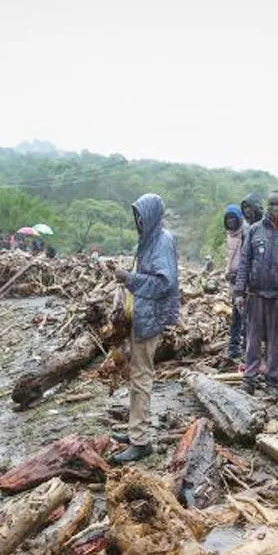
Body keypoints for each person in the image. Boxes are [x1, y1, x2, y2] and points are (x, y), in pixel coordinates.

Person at [110, 193, 181, 464]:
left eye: (141, 216)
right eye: (135, 216)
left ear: (150, 215)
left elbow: (165, 284)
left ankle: (140, 441)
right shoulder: (149, 238)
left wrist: (130, 279)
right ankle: (134, 429)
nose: (138, 221)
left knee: (141, 376)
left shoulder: (162, 241)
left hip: (150, 317)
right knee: (137, 374)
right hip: (142, 313)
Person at [234, 190, 278, 395]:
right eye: (272, 204)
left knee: (275, 341)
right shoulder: (255, 231)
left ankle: (273, 380)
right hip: (255, 294)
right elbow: (245, 262)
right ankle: (249, 379)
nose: (275, 208)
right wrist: (239, 291)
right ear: (266, 206)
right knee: (252, 339)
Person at [222, 204, 247, 360]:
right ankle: (233, 347)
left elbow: (247, 260)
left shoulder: (246, 233)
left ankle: (246, 348)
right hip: (233, 280)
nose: (230, 221)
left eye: (233, 218)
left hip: (244, 282)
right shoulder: (230, 234)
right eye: (228, 218)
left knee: (245, 316)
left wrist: (240, 277)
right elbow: (230, 258)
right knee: (236, 316)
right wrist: (227, 273)